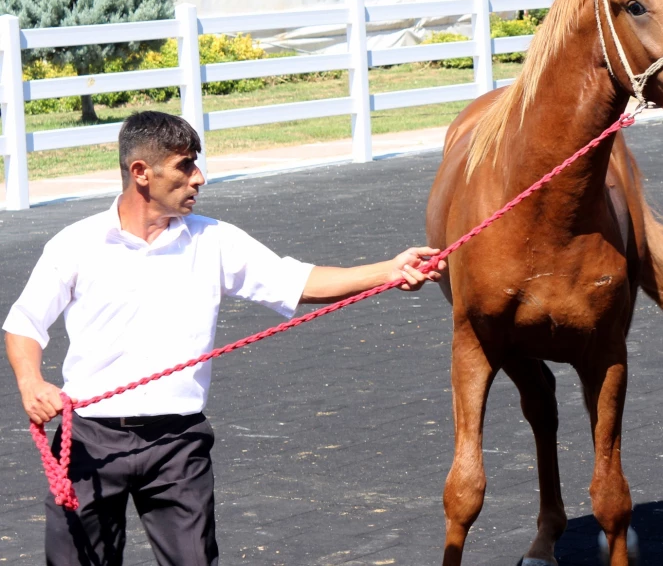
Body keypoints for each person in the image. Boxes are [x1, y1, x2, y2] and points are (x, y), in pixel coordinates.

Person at [3, 111, 446, 566]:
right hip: (88, 443)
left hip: (177, 443)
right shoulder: (75, 244)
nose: (199, 178)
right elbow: (24, 324)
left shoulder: (214, 240)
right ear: (141, 172)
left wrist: (389, 270)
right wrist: (31, 384)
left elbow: (297, 281)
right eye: (185, 165)